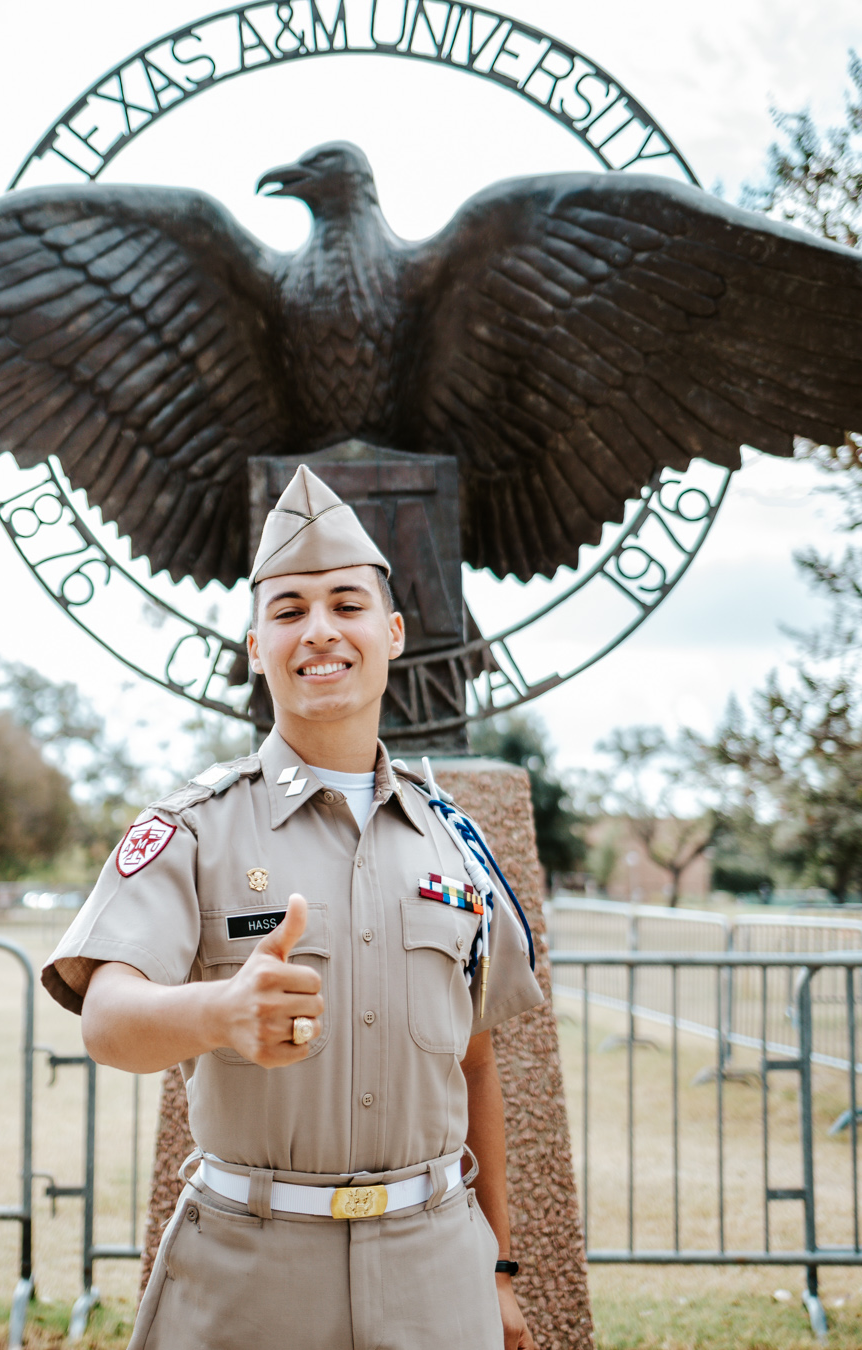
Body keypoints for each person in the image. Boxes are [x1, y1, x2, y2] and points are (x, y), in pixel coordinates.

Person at [41, 465, 545, 1350]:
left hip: (438, 1275)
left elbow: (476, 1066)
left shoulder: (453, 844)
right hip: (249, 1278)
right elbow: (107, 1021)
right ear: (255, 647)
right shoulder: (194, 828)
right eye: (289, 610)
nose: (320, 631)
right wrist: (220, 1013)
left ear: (392, 633)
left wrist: (497, 1271)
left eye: (347, 605)